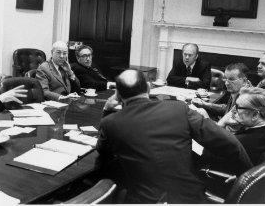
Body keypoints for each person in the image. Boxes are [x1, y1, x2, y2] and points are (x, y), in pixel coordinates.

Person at [96, 69, 252, 204]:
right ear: (149, 88)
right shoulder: (179, 109)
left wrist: (107, 110)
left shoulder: (110, 123)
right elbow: (229, 142)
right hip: (190, 199)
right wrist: (249, 177)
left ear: (117, 94)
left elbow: (103, 154)